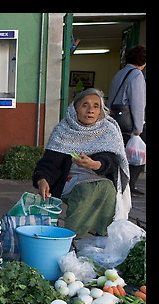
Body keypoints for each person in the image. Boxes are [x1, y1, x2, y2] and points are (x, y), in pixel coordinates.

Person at [32, 88, 130, 237]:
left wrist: (95, 165)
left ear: (100, 111)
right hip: (69, 181)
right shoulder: (63, 129)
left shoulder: (108, 130)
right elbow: (49, 163)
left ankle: (103, 236)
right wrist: (42, 179)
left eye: (96, 106)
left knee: (106, 188)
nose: (90, 110)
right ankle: (72, 236)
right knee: (86, 190)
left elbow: (112, 161)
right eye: (85, 105)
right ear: (75, 108)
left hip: (99, 177)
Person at [107, 45, 146, 196]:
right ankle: (130, 185)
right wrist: (138, 127)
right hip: (128, 120)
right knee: (137, 153)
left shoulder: (120, 73)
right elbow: (138, 102)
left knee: (120, 152)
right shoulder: (136, 75)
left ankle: (118, 183)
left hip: (116, 117)